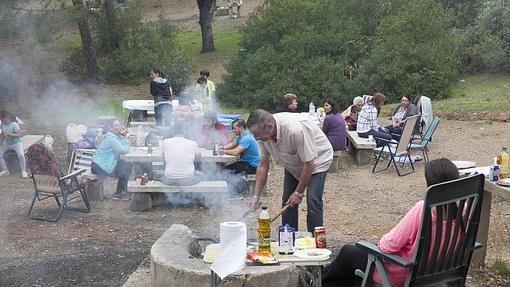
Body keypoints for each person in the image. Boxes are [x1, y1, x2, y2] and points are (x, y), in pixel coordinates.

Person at [321, 158, 460, 287]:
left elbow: (388, 246)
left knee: (348, 252)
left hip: (404, 273)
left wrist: (379, 243)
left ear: (430, 186)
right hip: (436, 273)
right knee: (354, 272)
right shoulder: (465, 211)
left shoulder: (422, 210)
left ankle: (318, 281)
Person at [247, 110, 333, 232]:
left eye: (258, 135)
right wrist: (256, 196)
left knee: (313, 201)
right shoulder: (262, 136)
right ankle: (288, 239)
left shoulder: (295, 130)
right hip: (292, 161)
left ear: (270, 127)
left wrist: (298, 193)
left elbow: (309, 163)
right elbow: (262, 165)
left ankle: (316, 242)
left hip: (317, 160)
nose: (256, 138)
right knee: (287, 199)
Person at [91, 120, 133, 200]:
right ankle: (121, 193)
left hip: (103, 164)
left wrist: (124, 136)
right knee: (126, 167)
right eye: (116, 125)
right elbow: (123, 150)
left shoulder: (115, 136)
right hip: (99, 166)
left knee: (126, 164)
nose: (120, 127)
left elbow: (123, 145)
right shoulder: (111, 137)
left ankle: (119, 192)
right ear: (111, 128)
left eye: (120, 125)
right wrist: (127, 139)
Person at [222, 119, 259, 195]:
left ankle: (244, 188)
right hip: (245, 163)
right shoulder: (240, 136)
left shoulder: (247, 138)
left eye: (234, 128)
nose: (233, 130)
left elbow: (236, 152)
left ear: (241, 127)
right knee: (225, 169)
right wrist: (221, 148)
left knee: (224, 171)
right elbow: (233, 144)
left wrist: (223, 151)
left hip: (252, 165)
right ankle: (238, 188)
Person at [0, 111, 28, 178]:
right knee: (0, 155)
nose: (1, 120)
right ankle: (5, 170)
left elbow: (19, 135)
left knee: (21, 155)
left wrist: (10, 134)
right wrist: (1, 142)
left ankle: (23, 171)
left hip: (16, 143)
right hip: (6, 143)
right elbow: (2, 134)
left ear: (7, 118)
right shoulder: (2, 124)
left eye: (2, 118)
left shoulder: (14, 124)